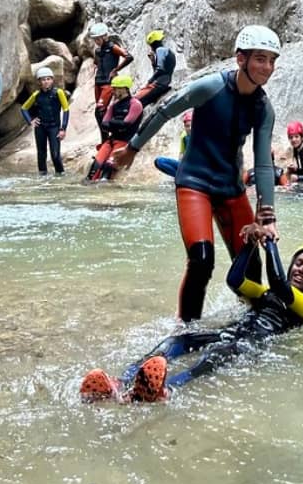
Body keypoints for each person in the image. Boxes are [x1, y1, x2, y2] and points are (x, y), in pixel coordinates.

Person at [110, 25, 281, 321]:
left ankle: (252, 323)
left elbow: (264, 163)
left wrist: (267, 216)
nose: (267, 67)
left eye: (272, 60)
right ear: (241, 59)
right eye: (260, 59)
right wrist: (133, 148)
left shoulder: (263, 108)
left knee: (251, 264)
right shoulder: (210, 87)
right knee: (202, 260)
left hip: (231, 188)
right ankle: (185, 329)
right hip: (195, 183)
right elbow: (165, 110)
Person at [79, 239, 303, 403]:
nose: (300, 269)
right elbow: (235, 280)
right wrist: (250, 243)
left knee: (215, 355)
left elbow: (279, 283)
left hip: (251, 344)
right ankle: (123, 380)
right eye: (298, 263)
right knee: (179, 339)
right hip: (232, 332)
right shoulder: (267, 293)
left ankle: (166, 390)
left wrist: (270, 243)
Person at [88, 75, 143, 181]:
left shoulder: (135, 104)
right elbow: (104, 124)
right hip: (112, 140)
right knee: (95, 166)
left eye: (116, 89)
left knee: (108, 167)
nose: (113, 91)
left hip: (124, 141)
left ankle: (104, 186)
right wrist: (116, 124)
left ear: (124, 89)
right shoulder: (114, 105)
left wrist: (112, 123)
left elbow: (126, 124)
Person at [21, 66, 71, 177]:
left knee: (55, 154)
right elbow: (24, 108)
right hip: (41, 127)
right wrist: (30, 121)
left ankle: (60, 175)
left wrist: (63, 128)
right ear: (39, 82)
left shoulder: (59, 92)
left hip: (54, 127)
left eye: (48, 79)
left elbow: (66, 109)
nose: (46, 82)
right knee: (41, 154)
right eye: (43, 80)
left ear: (52, 80)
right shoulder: (36, 95)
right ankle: (43, 177)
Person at [90, 23, 133, 142]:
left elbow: (129, 57)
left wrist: (116, 70)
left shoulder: (112, 47)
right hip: (98, 82)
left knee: (99, 111)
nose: (96, 41)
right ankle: (106, 139)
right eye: (94, 39)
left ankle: (106, 140)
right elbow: (96, 63)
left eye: (98, 39)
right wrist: (95, 68)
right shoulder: (98, 50)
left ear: (105, 36)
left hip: (108, 83)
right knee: (100, 112)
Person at [136, 29, 176, 107]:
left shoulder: (160, 50)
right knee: (143, 101)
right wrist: (153, 62)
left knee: (136, 99)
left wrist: (149, 81)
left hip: (159, 83)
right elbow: (161, 70)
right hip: (165, 82)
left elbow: (160, 69)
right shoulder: (167, 51)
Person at [153, 110, 192, 179]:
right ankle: (180, 178)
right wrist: (181, 165)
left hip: (201, 168)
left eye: (192, 125)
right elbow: (182, 154)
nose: (190, 128)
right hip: (187, 167)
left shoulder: (204, 136)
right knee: (159, 161)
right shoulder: (184, 135)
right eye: (187, 126)